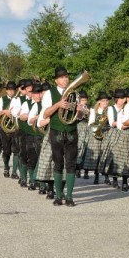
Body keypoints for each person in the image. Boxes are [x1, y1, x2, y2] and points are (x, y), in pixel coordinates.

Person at [39, 66, 85, 207]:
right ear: (56, 80)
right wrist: (58, 104)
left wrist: (79, 110)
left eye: (66, 77)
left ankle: (69, 197)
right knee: (58, 164)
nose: (65, 79)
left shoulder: (75, 94)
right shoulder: (49, 94)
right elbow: (46, 114)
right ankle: (58, 196)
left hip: (71, 131)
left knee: (71, 165)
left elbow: (80, 117)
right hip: (56, 132)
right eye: (62, 77)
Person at [100, 88, 129, 190]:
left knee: (126, 157)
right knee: (114, 157)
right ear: (116, 99)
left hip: (126, 133)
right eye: (120, 98)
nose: (122, 100)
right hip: (114, 133)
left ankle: (125, 181)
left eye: (123, 98)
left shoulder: (128, 107)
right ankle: (115, 179)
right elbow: (111, 122)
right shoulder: (110, 109)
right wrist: (123, 124)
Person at [84, 91, 111, 185]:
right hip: (96, 133)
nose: (105, 102)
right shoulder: (93, 111)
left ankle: (107, 176)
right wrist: (97, 126)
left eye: (106, 101)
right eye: (103, 101)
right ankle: (96, 176)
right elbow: (90, 123)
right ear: (99, 101)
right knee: (97, 155)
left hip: (107, 133)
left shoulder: (110, 110)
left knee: (106, 154)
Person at [0, 80, 18, 178]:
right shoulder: (2, 99)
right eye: (9, 90)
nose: (11, 92)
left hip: (15, 127)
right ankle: (6, 167)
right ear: (7, 91)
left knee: (16, 150)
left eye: (13, 90)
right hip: (4, 128)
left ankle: (14, 172)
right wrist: (5, 111)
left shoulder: (18, 99)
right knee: (7, 150)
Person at [75, 90, 90, 179]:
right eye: (82, 100)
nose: (84, 101)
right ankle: (77, 168)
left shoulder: (90, 108)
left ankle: (86, 171)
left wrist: (89, 112)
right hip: (79, 128)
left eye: (85, 100)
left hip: (88, 128)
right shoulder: (78, 108)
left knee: (87, 149)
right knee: (79, 147)